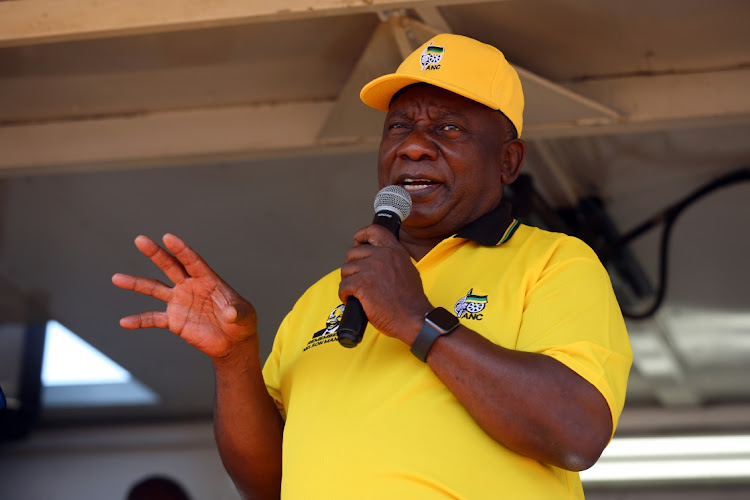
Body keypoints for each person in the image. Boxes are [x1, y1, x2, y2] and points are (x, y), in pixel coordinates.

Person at [113, 34, 632, 499]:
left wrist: (416, 318)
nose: (412, 147)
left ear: (508, 161)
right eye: (399, 127)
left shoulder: (553, 262)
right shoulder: (325, 296)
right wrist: (235, 357)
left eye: (449, 129)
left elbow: (576, 432)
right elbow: (267, 484)